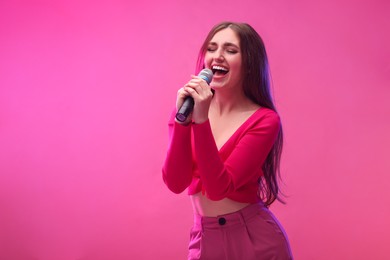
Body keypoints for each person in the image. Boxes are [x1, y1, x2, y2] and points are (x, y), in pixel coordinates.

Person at [162, 21, 293, 260]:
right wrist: (184, 123)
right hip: (204, 239)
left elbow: (218, 188)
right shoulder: (186, 111)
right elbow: (175, 182)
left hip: (254, 241)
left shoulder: (264, 120)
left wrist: (201, 122)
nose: (217, 57)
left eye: (231, 50)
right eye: (211, 49)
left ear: (250, 64)